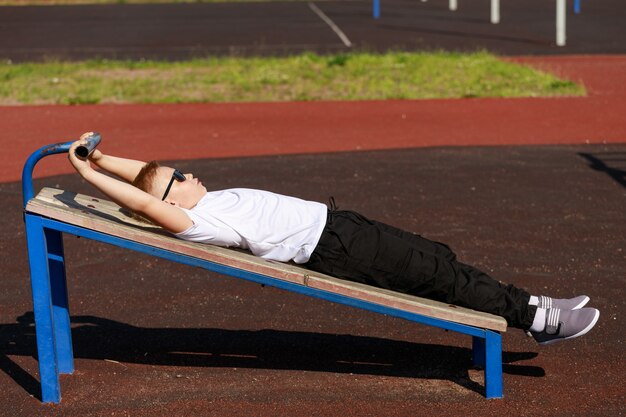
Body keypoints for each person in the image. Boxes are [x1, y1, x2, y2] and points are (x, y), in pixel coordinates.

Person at [67, 135, 600, 345]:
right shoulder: (202, 221)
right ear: (172, 205)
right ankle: (538, 320)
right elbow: (143, 199)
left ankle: (533, 305)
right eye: (179, 180)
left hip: (342, 226)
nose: (187, 174)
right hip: (337, 249)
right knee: (440, 277)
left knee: (439, 258)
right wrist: (87, 178)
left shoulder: (201, 198)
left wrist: (97, 156)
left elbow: (147, 178)